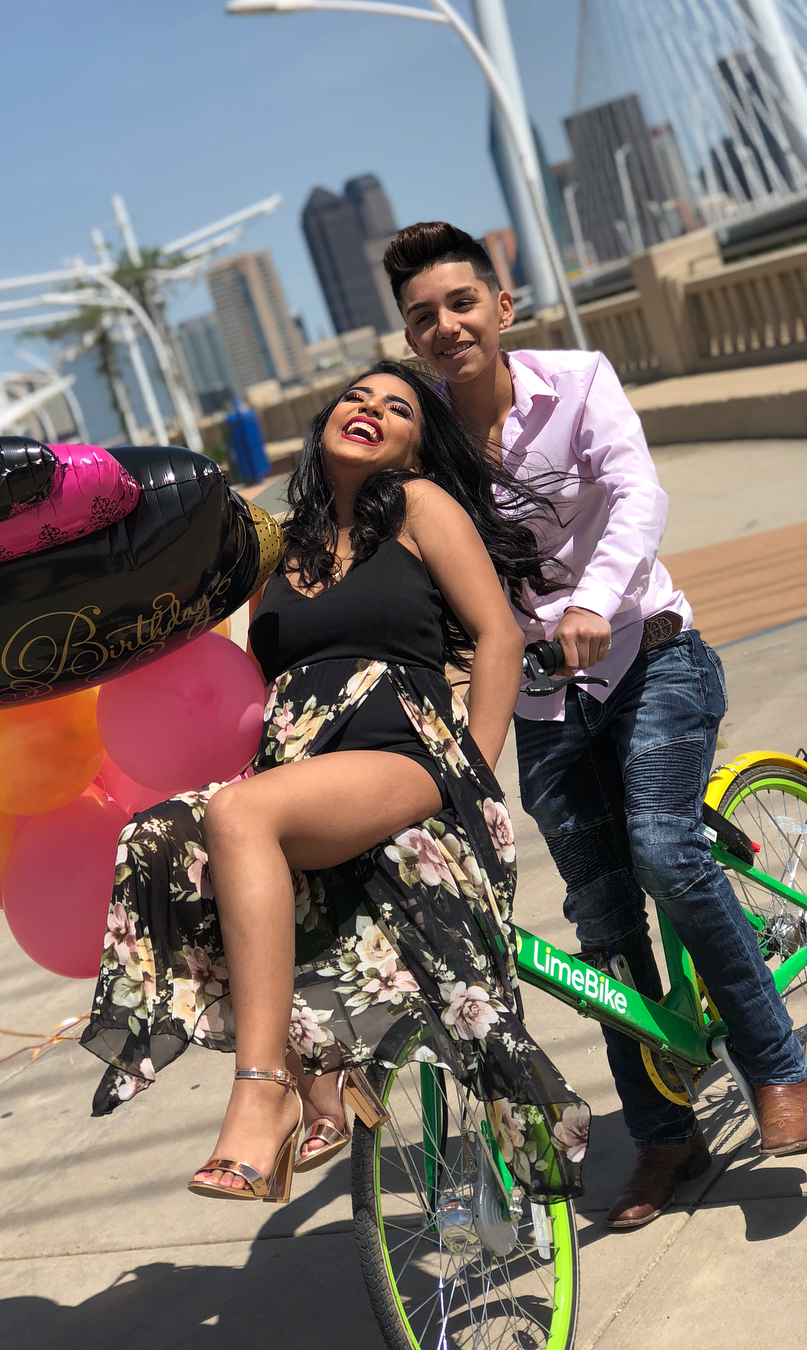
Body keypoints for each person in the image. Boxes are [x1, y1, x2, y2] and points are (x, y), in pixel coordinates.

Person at [81, 361, 591, 1204]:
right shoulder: (280, 549)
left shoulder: (422, 507)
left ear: (414, 449)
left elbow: (498, 637)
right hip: (300, 768)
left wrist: (474, 770)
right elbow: (251, 687)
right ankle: (317, 1070)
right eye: (358, 397)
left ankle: (264, 1092)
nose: (371, 409)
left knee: (239, 814)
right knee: (160, 834)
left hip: (404, 754)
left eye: (398, 409)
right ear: (325, 421)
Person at [384, 221, 807, 1228]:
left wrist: (590, 603)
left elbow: (636, 495)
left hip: (650, 654)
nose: (446, 327)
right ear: (409, 339)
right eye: (422, 317)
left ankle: (777, 1065)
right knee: (601, 923)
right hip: (544, 699)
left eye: (461, 303)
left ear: (502, 307)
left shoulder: (578, 383)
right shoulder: (427, 442)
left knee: (663, 847)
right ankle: (663, 1138)